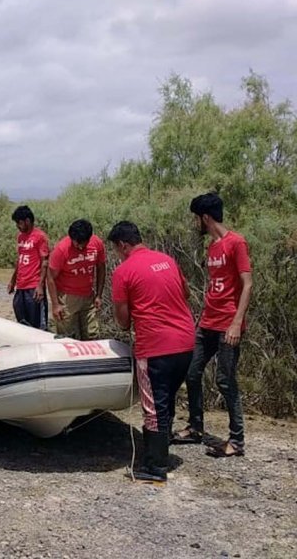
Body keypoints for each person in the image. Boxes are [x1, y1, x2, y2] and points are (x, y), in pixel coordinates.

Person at [109, 221, 195, 483]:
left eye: (116, 249)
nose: (117, 254)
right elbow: (187, 293)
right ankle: (161, 447)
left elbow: (123, 321)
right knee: (166, 400)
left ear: (123, 245)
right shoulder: (167, 260)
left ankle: (156, 466)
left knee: (153, 406)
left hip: (156, 346)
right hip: (186, 342)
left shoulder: (124, 272)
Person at [173, 193, 253, 458]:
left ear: (205, 217)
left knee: (225, 381)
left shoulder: (236, 243)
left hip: (228, 324)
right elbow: (215, 285)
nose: (195, 223)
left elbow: (247, 283)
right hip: (207, 322)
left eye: (196, 218)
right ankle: (196, 427)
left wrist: (236, 322)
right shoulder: (212, 247)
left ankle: (236, 441)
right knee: (192, 372)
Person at [47, 219, 106, 340]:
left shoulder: (97, 244)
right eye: (75, 243)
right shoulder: (61, 249)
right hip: (67, 299)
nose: (79, 246)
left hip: (89, 297)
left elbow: (101, 267)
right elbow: (50, 277)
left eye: (82, 244)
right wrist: (55, 305)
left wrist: (99, 295)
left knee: (92, 335)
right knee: (67, 337)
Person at [7, 205, 49, 329]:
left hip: (33, 286)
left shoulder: (40, 237)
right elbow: (20, 259)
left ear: (27, 221)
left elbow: (45, 262)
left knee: (36, 324)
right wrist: (13, 280)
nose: (17, 226)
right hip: (21, 285)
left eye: (19, 223)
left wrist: (40, 285)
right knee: (22, 322)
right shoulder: (20, 237)